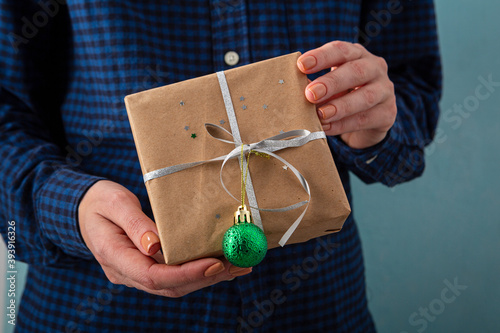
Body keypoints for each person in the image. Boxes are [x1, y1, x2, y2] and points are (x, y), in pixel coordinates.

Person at [0, 1, 441, 332]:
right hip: (97, 307)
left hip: (318, 303)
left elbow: (410, 87)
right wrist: (69, 207)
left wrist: (372, 119)